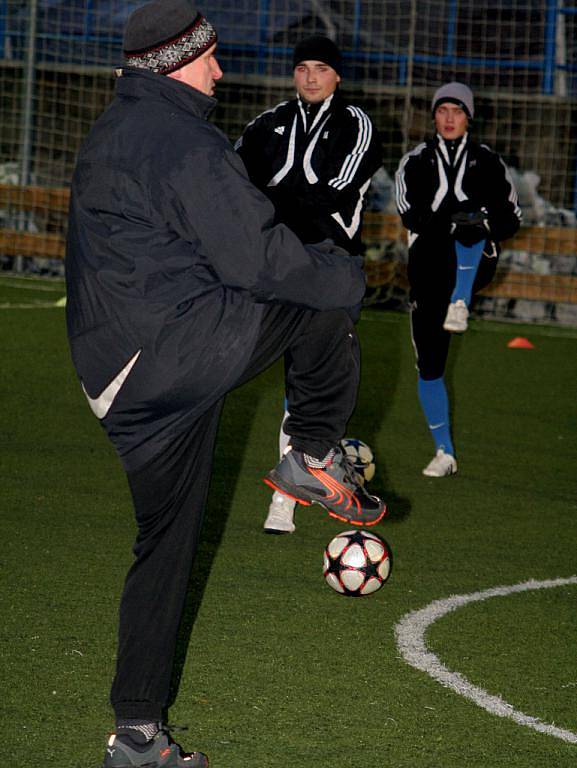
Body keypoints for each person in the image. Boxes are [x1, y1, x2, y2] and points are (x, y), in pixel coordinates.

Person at [64, 2, 386, 766]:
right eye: (209, 57)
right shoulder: (184, 141)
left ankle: (137, 735)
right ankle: (310, 452)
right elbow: (261, 263)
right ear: (178, 61)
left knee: (165, 548)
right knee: (321, 300)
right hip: (168, 350)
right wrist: (350, 275)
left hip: (116, 376)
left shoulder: (113, 132)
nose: (219, 69)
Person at [235, 35, 382, 534]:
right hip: (271, 261)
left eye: (321, 67)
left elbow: (331, 197)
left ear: (337, 75)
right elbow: (232, 186)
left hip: (324, 261)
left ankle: (285, 500)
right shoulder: (265, 125)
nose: (311, 76)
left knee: (306, 376)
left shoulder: (356, 125)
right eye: (302, 67)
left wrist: (269, 204)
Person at [395, 81, 521, 477]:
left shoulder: (488, 162)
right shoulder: (414, 161)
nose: (449, 118)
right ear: (434, 116)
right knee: (429, 365)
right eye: (443, 111)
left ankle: (462, 301)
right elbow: (410, 215)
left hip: (475, 261)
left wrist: (476, 219)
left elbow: (510, 218)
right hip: (429, 269)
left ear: (469, 117)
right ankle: (444, 452)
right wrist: (453, 221)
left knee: (472, 224)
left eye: (458, 111)